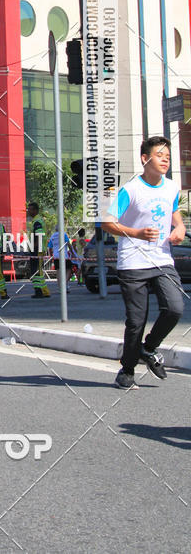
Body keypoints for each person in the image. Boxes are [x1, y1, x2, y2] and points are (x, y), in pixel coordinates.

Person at [103, 136, 186, 389]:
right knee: (136, 321)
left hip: (162, 259)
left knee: (175, 308)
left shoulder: (171, 187)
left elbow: (174, 214)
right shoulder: (130, 190)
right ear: (145, 158)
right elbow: (107, 222)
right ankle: (126, 371)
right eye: (160, 155)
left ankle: (148, 348)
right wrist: (137, 233)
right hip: (133, 263)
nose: (165, 160)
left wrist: (180, 227)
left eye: (168, 157)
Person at [27, 202, 50, 298]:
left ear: (36, 210)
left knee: (37, 271)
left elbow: (39, 236)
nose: (29, 211)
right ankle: (41, 291)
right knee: (37, 271)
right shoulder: (37, 221)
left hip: (37, 250)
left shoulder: (37, 222)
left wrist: (34, 248)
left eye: (31, 209)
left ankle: (40, 291)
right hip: (38, 249)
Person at [47, 227, 76, 291]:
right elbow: (68, 244)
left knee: (58, 271)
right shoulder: (64, 234)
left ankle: (60, 287)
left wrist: (51, 255)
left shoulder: (52, 236)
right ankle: (64, 284)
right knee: (69, 269)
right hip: (64, 256)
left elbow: (49, 247)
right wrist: (72, 252)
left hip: (56, 256)